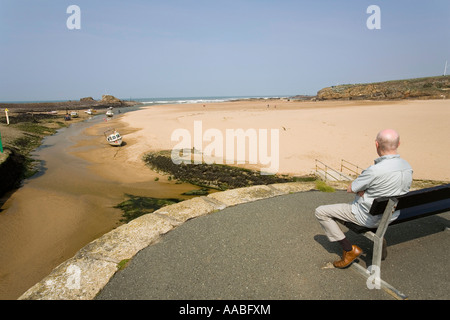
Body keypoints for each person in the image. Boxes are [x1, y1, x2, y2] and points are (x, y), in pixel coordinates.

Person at [315, 129, 413, 268]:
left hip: (369, 217)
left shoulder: (374, 170)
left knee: (321, 212)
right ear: (399, 144)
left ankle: (349, 250)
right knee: (373, 202)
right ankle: (379, 237)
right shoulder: (407, 167)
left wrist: (363, 190)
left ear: (376, 144)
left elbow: (351, 188)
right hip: (392, 215)